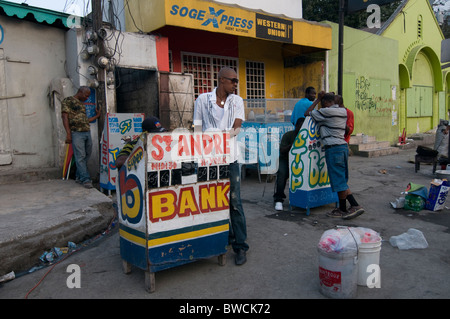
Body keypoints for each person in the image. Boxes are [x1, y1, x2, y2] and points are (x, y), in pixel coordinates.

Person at [193, 67, 249, 266]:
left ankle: (241, 246)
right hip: (208, 159)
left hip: (230, 158)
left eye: (237, 81)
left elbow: (237, 127)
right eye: (233, 80)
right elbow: (198, 128)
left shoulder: (237, 101)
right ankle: (221, 238)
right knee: (213, 201)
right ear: (222, 80)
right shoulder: (202, 100)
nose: (236, 84)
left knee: (234, 202)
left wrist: (218, 137)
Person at [304, 91, 364, 220]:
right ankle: (342, 209)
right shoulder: (343, 112)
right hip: (342, 147)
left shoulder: (327, 112)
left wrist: (316, 100)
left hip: (334, 148)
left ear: (325, 102)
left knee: (339, 181)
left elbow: (307, 113)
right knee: (341, 180)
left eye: (322, 102)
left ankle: (355, 205)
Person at [61, 86, 100, 189]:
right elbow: (64, 117)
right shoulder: (68, 100)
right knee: (80, 156)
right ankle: (86, 179)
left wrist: (97, 116)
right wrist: (68, 133)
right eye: (86, 95)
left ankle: (79, 176)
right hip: (76, 133)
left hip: (86, 132)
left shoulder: (82, 105)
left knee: (87, 154)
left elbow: (85, 120)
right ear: (81, 92)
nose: (87, 98)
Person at [274, 118, 303, 211]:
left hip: (299, 161)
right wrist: (292, 145)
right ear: (296, 126)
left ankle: (300, 197)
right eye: (300, 127)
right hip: (285, 159)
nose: (301, 129)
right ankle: (279, 199)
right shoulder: (288, 135)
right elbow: (282, 150)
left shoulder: (305, 136)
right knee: (282, 174)